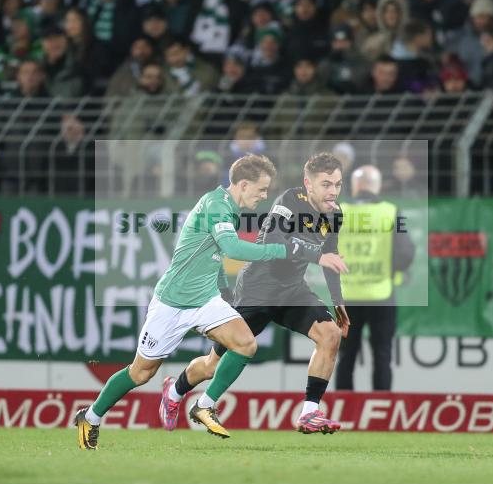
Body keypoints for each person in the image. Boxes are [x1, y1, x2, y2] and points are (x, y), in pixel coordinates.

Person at [74, 155, 340, 447]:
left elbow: (213, 256)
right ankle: (92, 416)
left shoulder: (230, 207)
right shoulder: (216, 206)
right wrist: (284, 251)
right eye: (261, 190)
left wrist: (224, 292)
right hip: (173, 302)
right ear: (243, 185)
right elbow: (231, 248)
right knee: (140, 373)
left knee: (245, 343)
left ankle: (204, 404)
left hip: (205, 299)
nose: (265, 196)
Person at [159, 153, 351, 434]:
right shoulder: (288, 201)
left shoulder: (335, 214)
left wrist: (338, 301)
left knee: (330, 335)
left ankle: (310, 412)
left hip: (292, 291)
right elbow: (275, 242)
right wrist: (315, 254)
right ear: (308, 185)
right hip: (257, 290)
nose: (333, 191)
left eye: (338, 184)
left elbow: (331, 257)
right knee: (212, 365)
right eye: (326, 184)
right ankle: (174, 393)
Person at [335, 165, 414, 391]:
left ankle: (344, 408)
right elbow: (406, 253)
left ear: (356, 186)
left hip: (346, 296)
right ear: (376, 186)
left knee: (345, 357)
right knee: (382, 355)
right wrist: (391, 270)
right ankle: (382, 409)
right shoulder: (390, 211)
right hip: (381, 294)